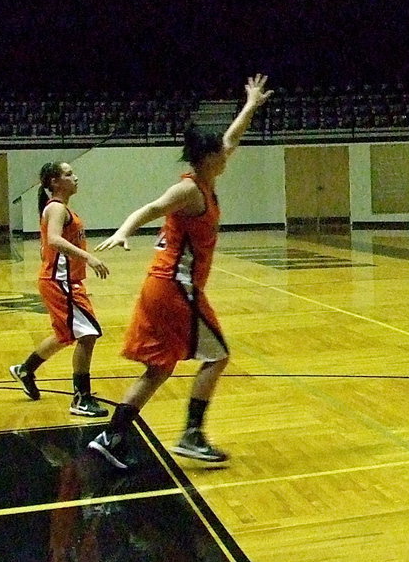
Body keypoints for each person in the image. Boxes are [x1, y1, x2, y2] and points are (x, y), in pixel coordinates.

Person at [87, 73, 272, 469]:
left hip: (164, 285)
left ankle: (111, 436)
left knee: (160, 367)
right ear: (207, 159)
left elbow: (232, 137)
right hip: (175, 285)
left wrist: (251, 105)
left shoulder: (205, 177)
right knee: (218, 356)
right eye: (220, 154)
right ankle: (191, 434)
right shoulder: (188, 191)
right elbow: (151, 209)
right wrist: (122, 231)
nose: (227, 155)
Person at [10, 161, 110, 417]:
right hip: (60, 281)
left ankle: (25, 369)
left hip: (62, 280)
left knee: (65, 335)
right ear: (55, 182)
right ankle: (81, 398)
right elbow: (54, 240)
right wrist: (89, 258)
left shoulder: (61, 209)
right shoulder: (55, 208)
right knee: (88, 334)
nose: (75, 177)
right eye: (68, 174)